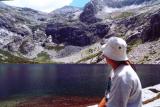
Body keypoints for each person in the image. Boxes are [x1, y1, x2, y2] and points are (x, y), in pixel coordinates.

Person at [98, 37, 142, 107]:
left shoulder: (121, 77)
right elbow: (108, 96)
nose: (103, 55)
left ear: (108, 56)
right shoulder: (116, 70)